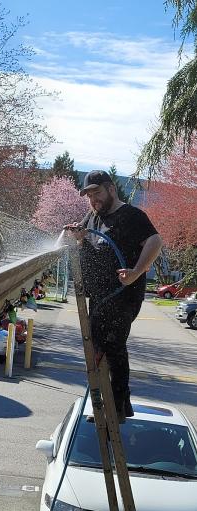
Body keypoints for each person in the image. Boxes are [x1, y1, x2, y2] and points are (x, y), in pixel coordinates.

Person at [66, 170, 162, 423]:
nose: (93, 199)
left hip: (123, 295)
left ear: (111, 189)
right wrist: (80, 237)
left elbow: (155, 241)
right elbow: (89, 246)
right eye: (88, 195)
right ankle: (108, 402)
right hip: (98, 296)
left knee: (113, 345)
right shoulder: (92, 217)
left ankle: (117, 406)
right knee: (97, 348)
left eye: (97, 193)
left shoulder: (132, 216)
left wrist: (136, 272)